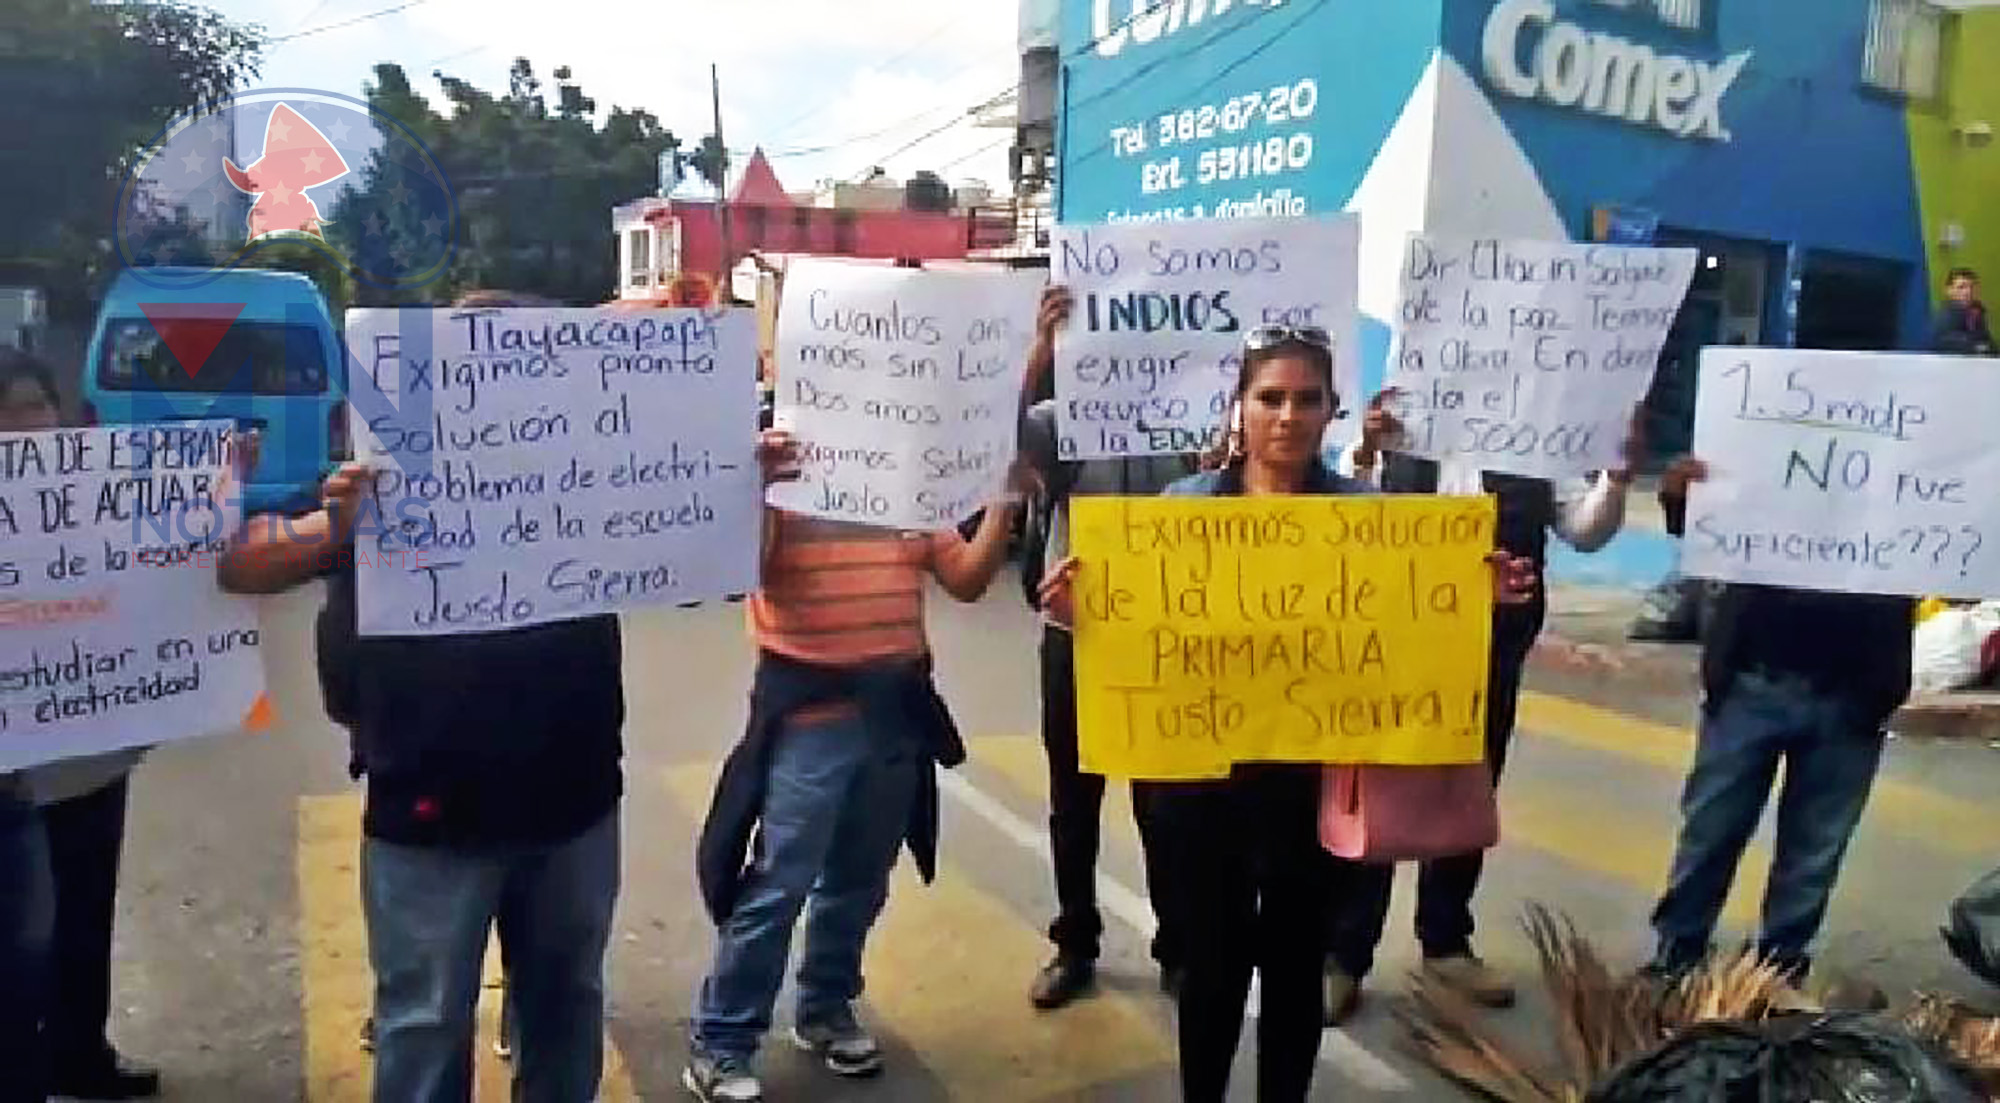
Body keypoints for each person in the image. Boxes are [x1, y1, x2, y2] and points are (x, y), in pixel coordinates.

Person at [1040, 327, 1535, 1102]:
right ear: (1239, 407)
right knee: (1210, 964)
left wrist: (1482, 600)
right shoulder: (1181, 508)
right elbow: (1142, 634)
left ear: (1333, 410)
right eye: (1270, 397)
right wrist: (1078, 613)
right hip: (1201, 786)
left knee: (1298, 966)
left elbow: (1410, 632)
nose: (1287, 415)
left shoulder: (1369, 517)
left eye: (1307, 399)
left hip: (1316, 784)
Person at [219, 302, 627, 1102]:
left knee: (566, 1003)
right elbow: (243, 565)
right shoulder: (378, 476)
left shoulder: (594, 471)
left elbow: (702, 543)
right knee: (424, 1021)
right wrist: (335, 527)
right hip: (428, 806)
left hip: (575, 799)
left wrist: (741, 475)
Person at [683, 430, 1026, 1103]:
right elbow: (742, 571)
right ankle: (720, 1041)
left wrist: (1003, 501)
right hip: (809, 719)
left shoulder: (906, 478)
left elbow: (965, 579)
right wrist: (757, 489)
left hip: (894, 710)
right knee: (780, 882)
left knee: (861, 878)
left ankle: (825, 1005)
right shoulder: (784, 475)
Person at [1320, 397, 1634, 1021]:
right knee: (1379, 783)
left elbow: (1585, 530)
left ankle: (1445, 943)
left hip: (1495, 639)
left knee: (1469, 782)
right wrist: (1366, 453)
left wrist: (1616, 478)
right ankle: (1345, 953)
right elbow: (1339, 511)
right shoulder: (1392, 413)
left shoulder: (1543, 429)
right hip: (1396, 639)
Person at [1646, 457, 1915, 982]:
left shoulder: (1907, 463)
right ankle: (1676, 956)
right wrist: (1679, 492)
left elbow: (1955, 560)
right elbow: (1698, 528)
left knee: (1814, 850)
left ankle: (1778, 971)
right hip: (1752, 677)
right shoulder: (1768, 441)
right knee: (1712, 830)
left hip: (1854, 692)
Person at [1014, 287, 1192, 1009]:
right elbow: (997, 432)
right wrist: (1040, 353)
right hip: (1074, 634)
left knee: (1167, 804)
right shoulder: (1065, 420)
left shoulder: (1196, 426)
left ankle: (1179, 946)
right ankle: (1074, 943)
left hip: (1164, 640)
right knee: (1073, 800)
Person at [1, 348, 160, 1100]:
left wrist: (218, 484)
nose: (26, 423)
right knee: (23, 940)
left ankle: (82, 1056)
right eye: (7, 410)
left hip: (92, 753)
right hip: (16, 773)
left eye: (36, 404)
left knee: (86, 912)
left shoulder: (95, 493)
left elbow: (172, 557)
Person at [1932, 267, 1995, 356]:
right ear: (1949, 290)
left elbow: (1988, 341)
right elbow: (1945, 342)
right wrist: (1978, 346)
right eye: (1961, 287)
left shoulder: (1978, 312)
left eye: (1972, 287)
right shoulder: (1946, 316)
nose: (1968, 292)